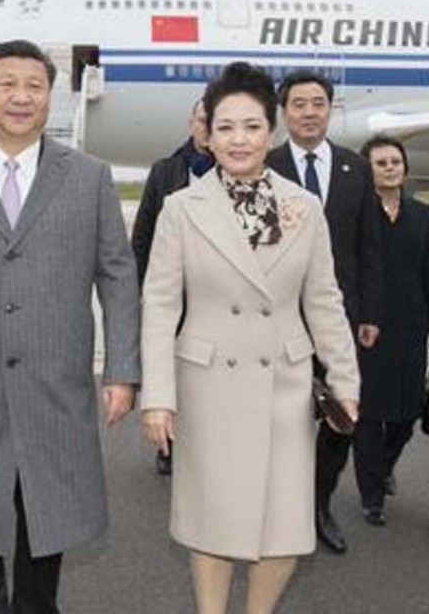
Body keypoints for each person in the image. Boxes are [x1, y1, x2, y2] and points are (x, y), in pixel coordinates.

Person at [0, 39, 140, 613]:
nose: (21, 96)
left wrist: (122, 370)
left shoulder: (88, 177)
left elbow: (117, 276)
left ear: (49, 97)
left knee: (43, 529)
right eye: (7, 84)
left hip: (53, 385)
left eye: (35, 86)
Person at [141, 61, 359, 614]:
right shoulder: (180, 209)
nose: (239, 139)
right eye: (226, 127)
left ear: (271, 131)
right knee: (213, 523)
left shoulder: (304, 207)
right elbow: (160, 306)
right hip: (209, 383)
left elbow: (325, 300)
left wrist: (345, 380)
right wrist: (158, 397)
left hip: (283, 384)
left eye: (252, 126)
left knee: (284, 527)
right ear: (207, 134)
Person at [266, 70, 382, 554]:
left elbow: (370, 247)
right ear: (284, 112)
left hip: (342, 319)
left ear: (330, 109)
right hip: (280, 319)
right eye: (299, 104)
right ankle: (279, 508)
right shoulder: (266, 166)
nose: (309, 112)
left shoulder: (356, 168)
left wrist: (370, 313)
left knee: (340, 418)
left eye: (318, 103)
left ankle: (318, 504)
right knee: (282, 420)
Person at [351, 136, 429, 526]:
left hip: (412, 327)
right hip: (369, 328)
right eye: (380, 162)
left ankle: (383, 466)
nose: (389, 168)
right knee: (368, 415)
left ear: (405, 168)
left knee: (407, 413)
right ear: (368, 171)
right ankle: (371, 496)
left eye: (395, 161)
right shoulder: (357, 213)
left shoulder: (421, 214)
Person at [132, 98, 213, 476]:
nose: (207, 128)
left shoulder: (240, 172)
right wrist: (138, 289)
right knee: (176, 374)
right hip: (176, 295)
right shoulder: (165, 171)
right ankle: (170, 445)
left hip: (218, 296)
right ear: (191, 123)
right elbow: (143, 235)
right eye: (202, 120)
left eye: (215, 121)